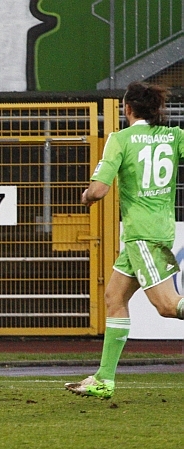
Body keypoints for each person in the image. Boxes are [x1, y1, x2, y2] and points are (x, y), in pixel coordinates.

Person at [67, 81, 184, 399]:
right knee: (114, 297)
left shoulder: (120, 139)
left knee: (168, 306)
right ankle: (104, 380)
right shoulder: (174, 136)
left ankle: (104, 379)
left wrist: (86, 196)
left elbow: (99, 190)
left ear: (127, 108)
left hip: (143, 234)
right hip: (151, 232)